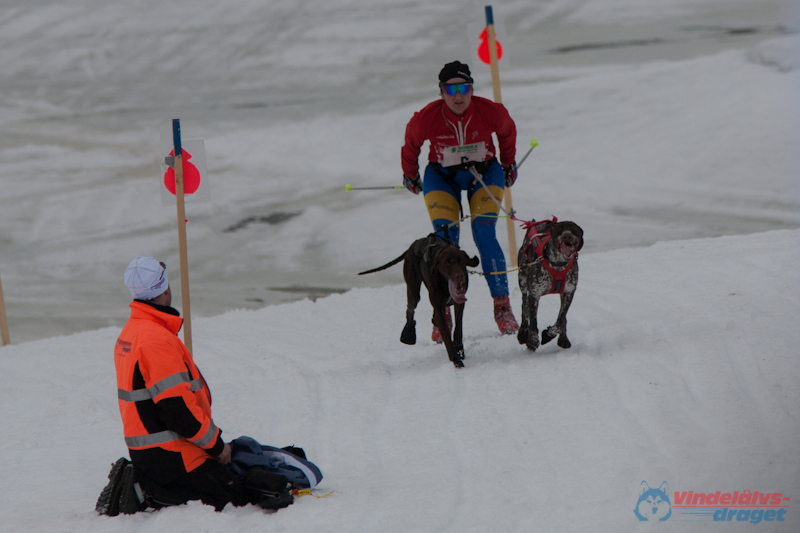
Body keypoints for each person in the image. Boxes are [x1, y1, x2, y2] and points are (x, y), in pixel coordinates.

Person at [96, 257, 294, 515]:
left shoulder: (132, 332)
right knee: (235, 495)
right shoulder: (155, 340)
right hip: (174, 458)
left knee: (235, 475)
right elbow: (178, 412)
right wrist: (216, 446)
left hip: (152, 453)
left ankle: (148, 481)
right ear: (165, 288)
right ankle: (148, 491)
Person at [401, 60, 519, 339]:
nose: (458, 95)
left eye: (464, 87)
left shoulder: (491, 111)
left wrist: (508, 164)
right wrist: (411, 176)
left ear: (471, 89)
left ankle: (502, 306)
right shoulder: (426, 118)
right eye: (450, 89)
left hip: (485, 173)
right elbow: (411, 145)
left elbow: (507, 132)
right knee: (445, 241)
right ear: (441, 92)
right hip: (442, 177)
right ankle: (443, 311)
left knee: (484, 232)